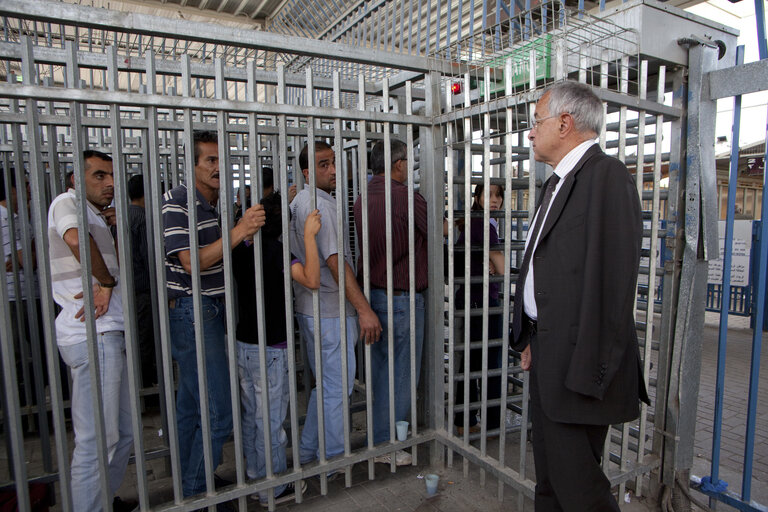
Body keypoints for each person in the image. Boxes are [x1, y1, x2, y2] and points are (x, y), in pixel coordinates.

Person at [511, 81, 650, 511]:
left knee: (581, 490)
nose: (531, 133)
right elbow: (545, 268)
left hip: (579, 367)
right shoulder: (557, 184)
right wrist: (529, 334)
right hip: (550, 354)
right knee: (551, 481)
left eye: (537, 122)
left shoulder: (606, 178)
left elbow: (613, 285)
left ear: (565, 123)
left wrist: (589, 374)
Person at [162, 130, 265, 499]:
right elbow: (193, 261)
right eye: (210, 160)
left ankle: (192, 483)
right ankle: (196, 495)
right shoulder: (178, 201)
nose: (219, 167)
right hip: (194, 310)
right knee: (219, 410)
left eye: (223, 159)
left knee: (192, 406)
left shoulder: (211, 205)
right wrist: (240, 230)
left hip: (207, 309)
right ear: (191, 166)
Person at [47, 150, 135, 511]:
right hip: (92, 333)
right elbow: (74, 239)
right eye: (99, 175)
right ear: (74, 178)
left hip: (106, 332)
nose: (110, 183)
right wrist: (106, 279)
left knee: (122, 435)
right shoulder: (67, 203)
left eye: (112, 176)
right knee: (98, 440)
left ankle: (101, 502)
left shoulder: (94, 213)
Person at [290, 141, 382, 465]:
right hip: (330, 311)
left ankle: (307, 453)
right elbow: (334, 261)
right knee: (337, 389)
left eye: (332, 163)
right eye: (323, 164)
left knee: (326, 387)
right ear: (306, 172)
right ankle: (332, 461)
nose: (331, 170)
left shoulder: (300, 200)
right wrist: (363, 308)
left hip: (310, 309)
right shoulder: (322, 205)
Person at [233, 191, 320, 505]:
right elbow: (311, 279)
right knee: (270, 420)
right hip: (271, 347)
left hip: (243, 343)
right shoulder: (279, 252)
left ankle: (255, 476)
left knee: (250, 415)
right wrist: (309, 236)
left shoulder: (239, 248)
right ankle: (272, 487)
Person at [352, 139, 427, 465]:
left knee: (381, 373)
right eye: (407, 162)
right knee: (401, 376)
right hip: (404, 299)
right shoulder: (408, 198)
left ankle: (378, 440)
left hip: (373, 298)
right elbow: (439, 232)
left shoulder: (361, 199)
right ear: (397, 164)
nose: (409, 168)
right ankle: (388, 446)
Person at [454, 183, 506, 435]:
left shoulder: (477, 222)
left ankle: (464, 420)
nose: (495, 200)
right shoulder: (484, 225)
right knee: (488, 362)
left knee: (472, 360)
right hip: (481, 299)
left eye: (498, 196)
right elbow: (502, 266)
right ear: (477, 197)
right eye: (489, 195)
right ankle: (491, 423)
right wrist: (496, 264)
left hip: (472, 297)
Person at [127, 174, 158, 390]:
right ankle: (146, 386)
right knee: (146, 338)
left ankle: (138, 381)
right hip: (144, 289)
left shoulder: (121, 215)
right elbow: (150, 258)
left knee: (135, 337)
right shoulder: (143, 218)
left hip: (128, 288)